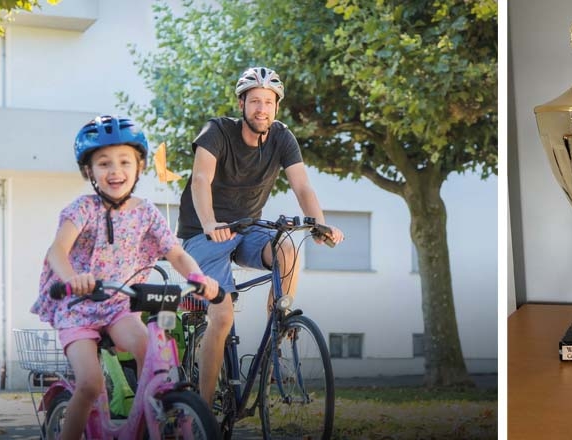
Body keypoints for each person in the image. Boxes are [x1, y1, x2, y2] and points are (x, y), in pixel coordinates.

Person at [30, 115, 220, 439]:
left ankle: (155, 420)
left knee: (153, 355)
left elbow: (175, 252)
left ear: (139, 166)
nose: (115, 171)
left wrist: (199, 277)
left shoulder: (145, 212)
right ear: (89, 171)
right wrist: (74, 278)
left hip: (119, 304)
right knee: (90, 384)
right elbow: (57, 252)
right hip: (77, 307)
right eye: (103, 163)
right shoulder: (82, 209)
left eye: (123, 161)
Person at [176, 67, 344, 405]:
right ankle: (204, 411)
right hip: (204, 233)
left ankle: (275, 337)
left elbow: (302, 185)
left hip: (248, 228)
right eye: (255, 101)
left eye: (268, 102)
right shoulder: (217, 131)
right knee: (222, 316)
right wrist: (209, 223)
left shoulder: (282, 137)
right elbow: (200, 180)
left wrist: (320, 225)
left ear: (276, 107)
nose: (261, 109)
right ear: (241, 104)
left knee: (287, 250)